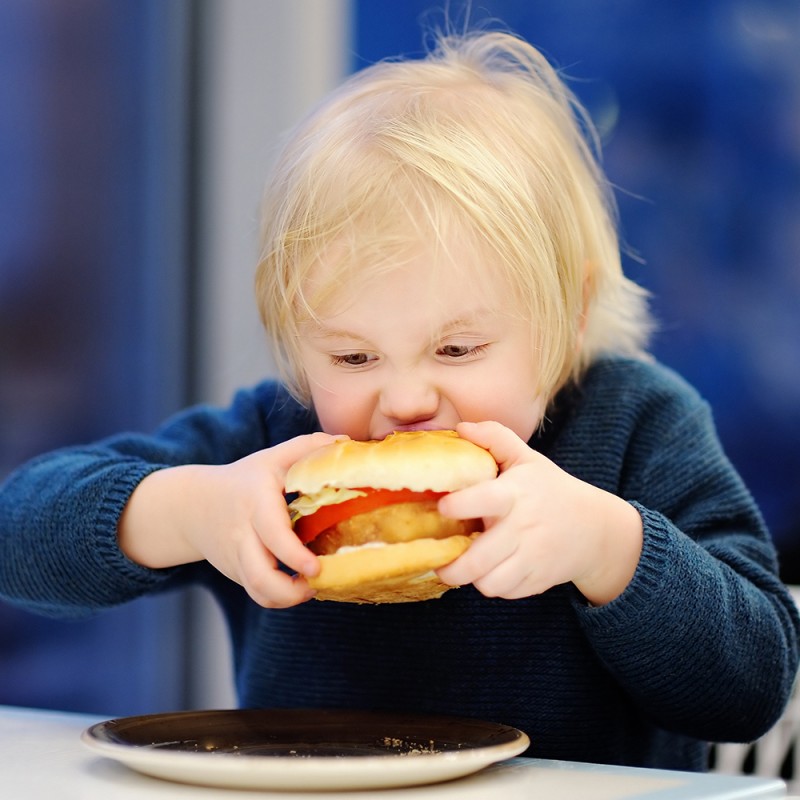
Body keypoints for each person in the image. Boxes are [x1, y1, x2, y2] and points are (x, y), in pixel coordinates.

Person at [0, 26, 797, 772]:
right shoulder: (276, 443)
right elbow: (17, 535)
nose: (407, 398)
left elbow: (753, 687)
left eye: (457, 349)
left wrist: (612, 550)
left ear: (570, 314)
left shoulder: (635, 426)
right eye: (352, 355)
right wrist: (188, 512)